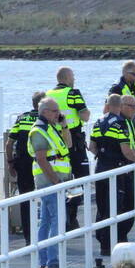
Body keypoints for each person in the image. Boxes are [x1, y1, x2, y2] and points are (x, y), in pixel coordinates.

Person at [88, 94, 135, 256]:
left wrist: (104, 154)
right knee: (123, 207)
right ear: (120, 106)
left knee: (103, 208)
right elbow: (126, 151)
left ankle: (105, 243)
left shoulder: (98, 122)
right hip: (118, 170)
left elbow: (92, 147)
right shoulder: (120, 124)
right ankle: (116, 240)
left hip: (100, 170)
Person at [27, 98, 72, 268]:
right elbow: (41, 158)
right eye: (54, 111)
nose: (58, 114)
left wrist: (64, 125)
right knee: (57, 221)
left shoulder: (51, 128)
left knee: (46, 221)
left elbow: (68, 145)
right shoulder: (39, 131)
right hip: (49, 182)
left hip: (54, 182)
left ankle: (44, 260)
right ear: (44, 111)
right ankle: (53, 261)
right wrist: (56, 181)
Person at [46, 67, 90, 230]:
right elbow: (85, 116)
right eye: (73, 77)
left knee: (61, 177)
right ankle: (71, 217)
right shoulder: (72, 93)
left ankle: (62, 216)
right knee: (81, 178)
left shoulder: (48, 94)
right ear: (67, 78)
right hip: (74, 141)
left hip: (55, 142)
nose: (74, 80)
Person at [5, 90, 45, 244]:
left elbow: (9, 143)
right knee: (48, 198)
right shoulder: (46, 119)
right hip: (43, 164)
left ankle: (29, 238)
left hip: (23, 164)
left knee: (26, 200)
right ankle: (46, 235)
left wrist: (10, 163)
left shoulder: (22, 118)